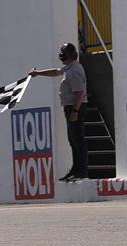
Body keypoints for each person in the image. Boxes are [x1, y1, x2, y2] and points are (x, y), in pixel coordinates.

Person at [29, 43, 89, 181]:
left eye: (62, 52)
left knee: (77, 140)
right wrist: (38, 73)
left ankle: (81, 172)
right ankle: (75, 170)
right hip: (71, 107)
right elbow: (56, 71)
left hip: (75, 107)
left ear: (67, 54)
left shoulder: (74, 71)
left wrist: (75, 110)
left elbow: (79, 93)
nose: (60, 55)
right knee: (73, 140)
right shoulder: (70, 68)